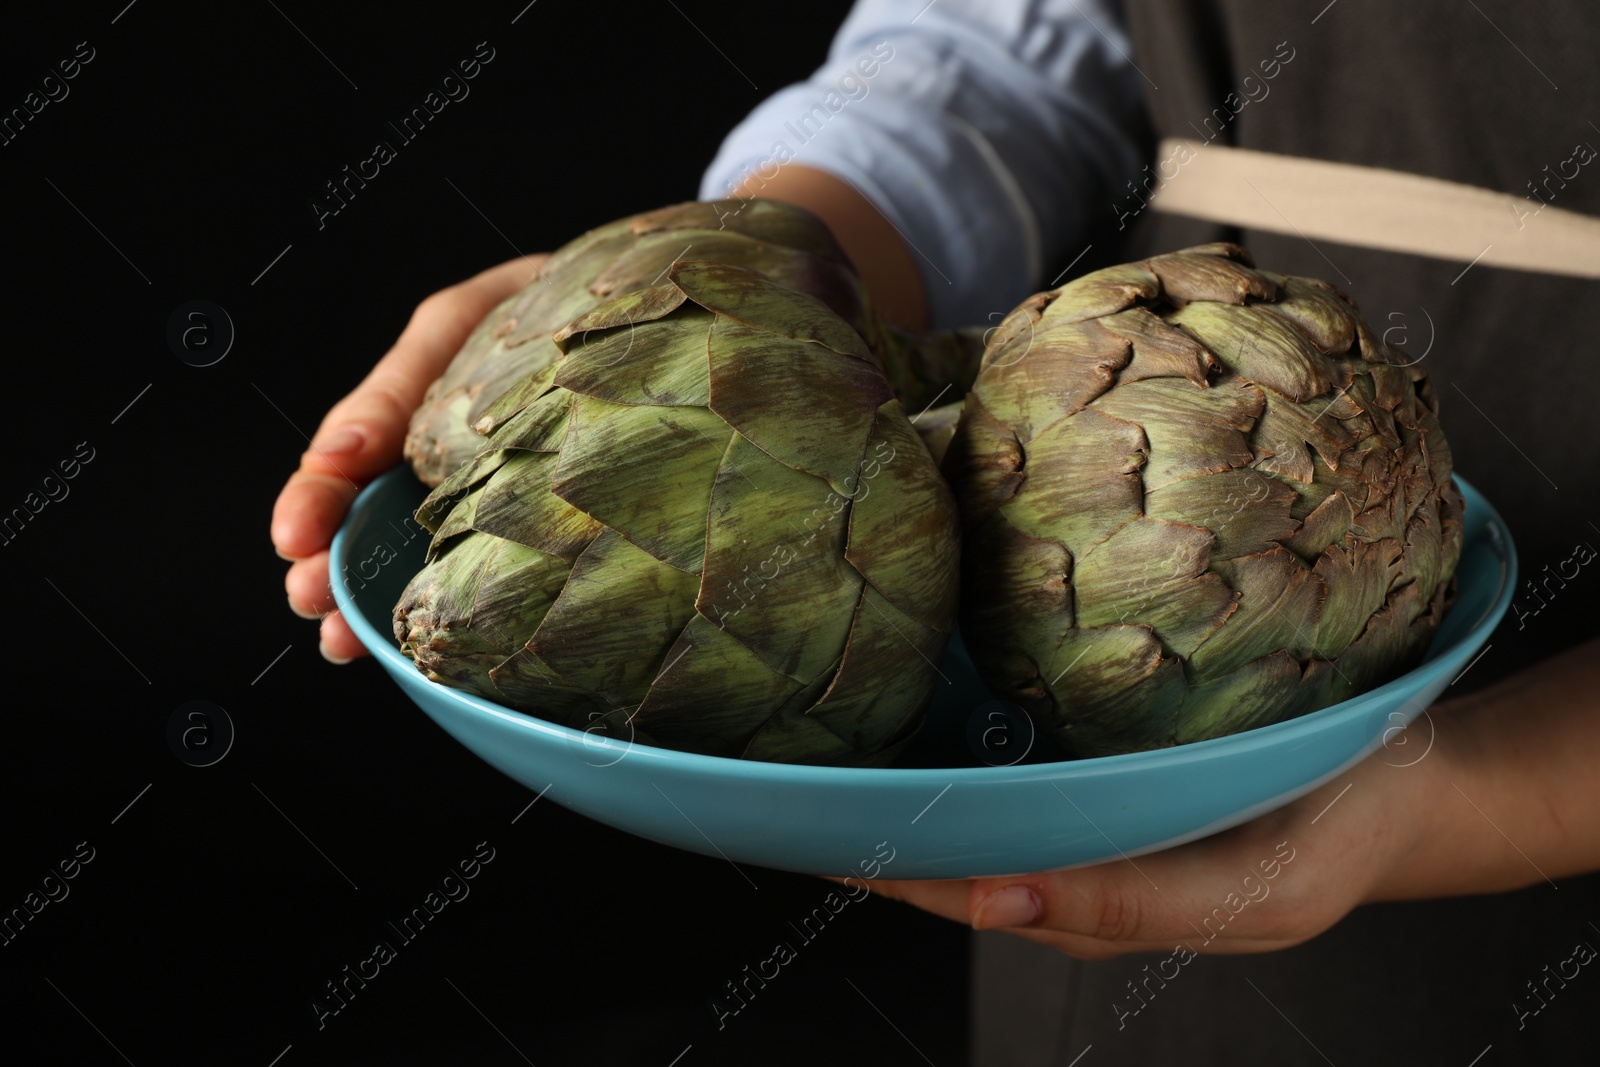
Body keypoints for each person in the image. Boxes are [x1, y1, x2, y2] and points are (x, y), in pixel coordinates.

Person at [274, 1, 1600, 1062]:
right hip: (1106, 792)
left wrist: (1471, 793)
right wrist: (742, 281)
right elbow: (1012, 43)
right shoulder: (947, 540)